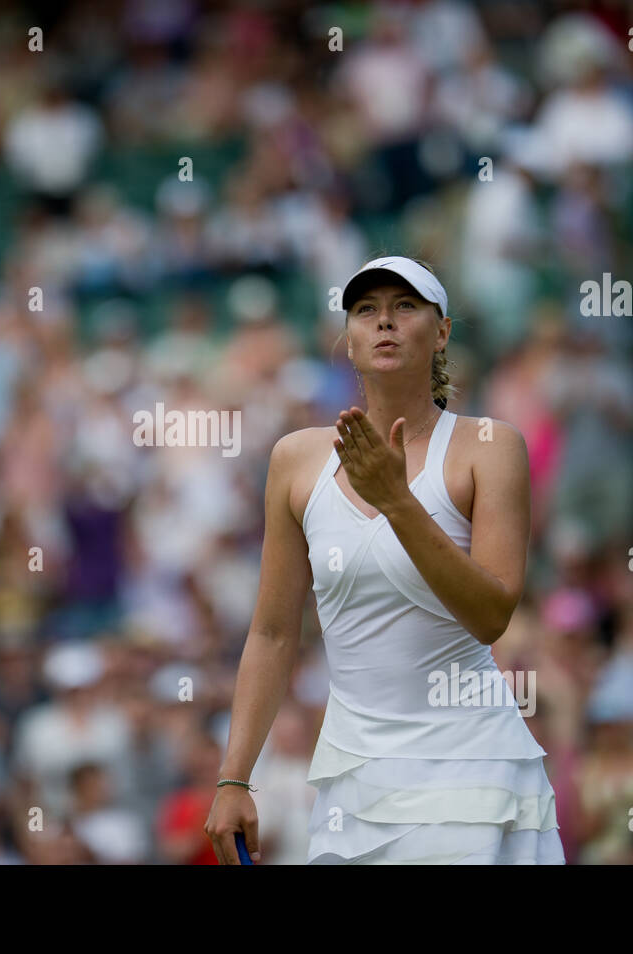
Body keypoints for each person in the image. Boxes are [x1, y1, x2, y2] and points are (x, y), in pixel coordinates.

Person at [205, 256, 565, 864]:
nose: (384, 323)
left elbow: (491, 614)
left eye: (404, 307)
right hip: (353, 781)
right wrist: (235, 778)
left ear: (442, 331)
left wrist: (398, 501)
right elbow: (271, 633)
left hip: (473, 767)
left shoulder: (490, 446)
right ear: (348, 341)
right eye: (366, 311)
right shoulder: (295, 459)